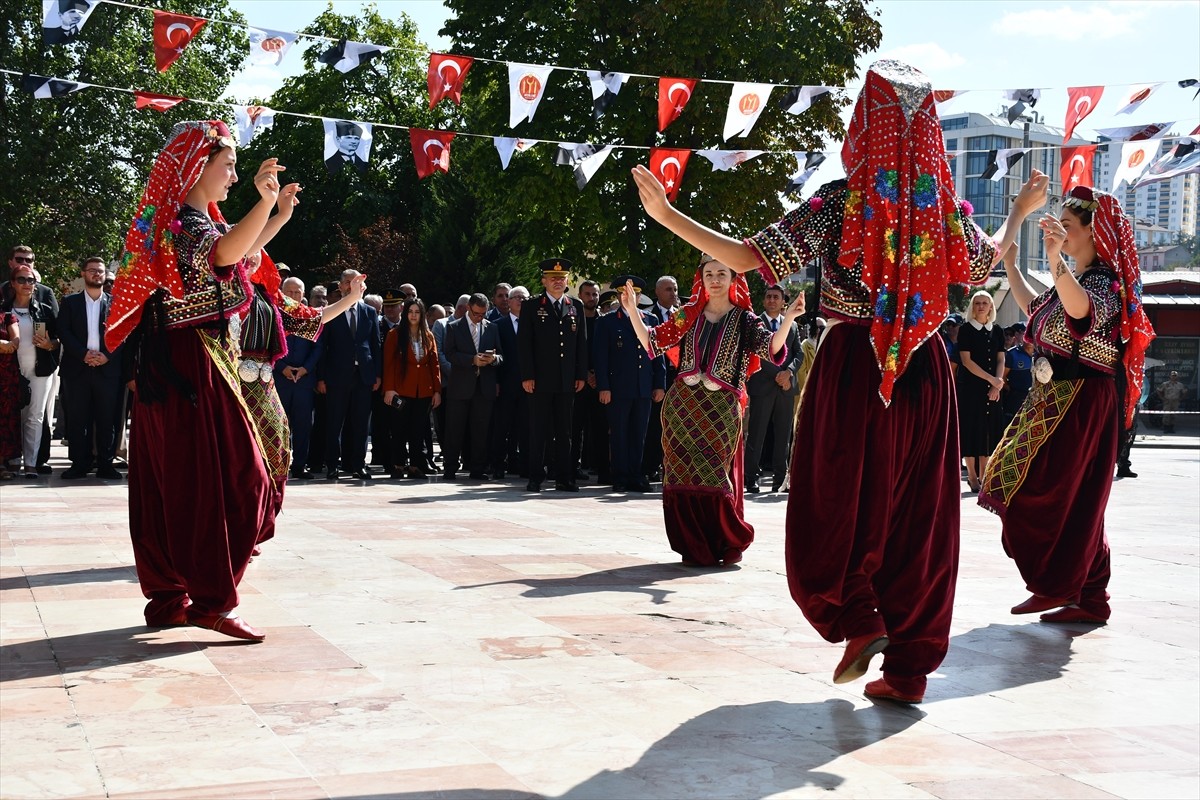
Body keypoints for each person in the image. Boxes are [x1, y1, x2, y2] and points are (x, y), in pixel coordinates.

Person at [629, 59, 1038, 704]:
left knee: (837, 500)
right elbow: (983, 265)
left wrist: (668, 216)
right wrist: (1017, 215)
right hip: (926, 367)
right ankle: (906, 671)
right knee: (915, 516)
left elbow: (749, 257)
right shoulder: (945, 207)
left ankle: (858, 617)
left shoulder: (844, 199)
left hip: (856, 365)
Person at [104, 119, 366, 641]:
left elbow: (239, 255)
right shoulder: (182, 224)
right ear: (195, 168)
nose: (232, 178)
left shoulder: (189, 221)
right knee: (229, 478)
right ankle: (210, 602)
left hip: (187, 361)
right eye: (226, 168)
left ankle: (173, 596)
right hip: (189, 364)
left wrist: (277, 212)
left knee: (182, 481)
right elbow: (224, 253)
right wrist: (265, 203)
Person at [981, 183, 1155, 626]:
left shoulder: (1103, 285)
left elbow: (1080, 313)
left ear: (1097, 236)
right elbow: (1038, 308)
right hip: (1058, 397)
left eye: (1070, 227)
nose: (1060, 231)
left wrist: (1056, 259)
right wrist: (1013, 269)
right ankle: (1090, 597)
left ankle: (1056, 583)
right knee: (1077, 501)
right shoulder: (1076, 282)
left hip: (1079, 400)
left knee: (1042, 493)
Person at [618, 257, 800, 564]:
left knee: (715, 474)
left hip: (721, 410)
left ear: (733, 279)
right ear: (701, 279)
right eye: (709, 273)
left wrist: (790, 318)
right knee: (680, 473)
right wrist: (632, 311)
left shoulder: (745, 319)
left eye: (722, 273)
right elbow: (653, 341)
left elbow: (770, 348)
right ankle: (691, 544)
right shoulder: (688, 315)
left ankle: (720, 540)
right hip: (681, 408)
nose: (715, 279)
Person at [518, 259, 588, 493]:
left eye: (562, 278)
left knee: (565, 431)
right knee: (538, 429)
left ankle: (564, 477)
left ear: (568, 281)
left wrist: (580, 374)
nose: (558, 282)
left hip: (566, 379)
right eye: (553, 278)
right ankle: (535, 476)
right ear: (544, 281)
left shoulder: (574, 306)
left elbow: (581, 344)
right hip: (540, 379)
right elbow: (525, 344)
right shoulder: (532, 306)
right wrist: (527, 375)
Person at [593, 276, 666, 493]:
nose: (628, 298)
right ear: (618, 296)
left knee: (639, 433)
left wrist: (659, 383)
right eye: (624, 294)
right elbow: (601, 357)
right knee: (619, 432)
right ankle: (621, 475)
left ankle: (636, 474)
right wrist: (603, 386)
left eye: (633, 294)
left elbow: (658, 354)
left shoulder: (650, 320)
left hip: (643, 386)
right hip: (618, 387)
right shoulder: (607, 321)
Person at [57, 257, 123, 480]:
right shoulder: (70, 302)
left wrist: (107, 355)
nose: (97, 274)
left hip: (107, 370)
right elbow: (63, 332)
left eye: (101, 271)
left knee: (107, 419)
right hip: (77, 369)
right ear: (83, 274)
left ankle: (105, 464)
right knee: (77, 419)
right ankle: (79, 464)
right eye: (93, 270)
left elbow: (123, 335)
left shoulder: (116, 303)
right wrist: (83, 354)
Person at [316, 269, 381, 481]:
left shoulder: (369, 312)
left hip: (362, 376)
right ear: (342, 286)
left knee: (361, 423)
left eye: (356, 282)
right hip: (336, 376)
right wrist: (321, 377)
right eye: (347, 282)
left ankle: (358, 464)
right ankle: (333, 465)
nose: (351, 286)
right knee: (335, 422)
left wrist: (377, 374)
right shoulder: (331, 312)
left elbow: (375, 345)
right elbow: (322, 347)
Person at [743, 283, 803, 494]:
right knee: (756, 435)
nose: (771, 300)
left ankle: (780, 479)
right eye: (768, 296)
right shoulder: (755, 323)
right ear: (764, 300)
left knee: (783, 436)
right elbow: (756, 353)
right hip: (762, 386)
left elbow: (799, 353)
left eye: (776, 297)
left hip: (786, 388)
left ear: (782, 301)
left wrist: (789, 373)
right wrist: (777, 375)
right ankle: (751, 478)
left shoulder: (792, 325)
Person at [1, 263, 59, 478]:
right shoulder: (4, 310)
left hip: (40, 368)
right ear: (13, 284)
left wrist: (49, 344)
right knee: (13, 415)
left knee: (35, 416)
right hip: (10, 371)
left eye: (31, 280)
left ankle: (31, 463)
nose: (27, 284)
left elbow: (58, 339)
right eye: (22, 280)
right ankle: (14, 460)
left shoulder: (43, 309)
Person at [441, 293, 503, 479]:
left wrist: (493, 359)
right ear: (468, 308)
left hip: (484, 387)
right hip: (460, 386)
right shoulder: (454, 327)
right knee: (454, 429)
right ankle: (450, 467)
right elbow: (449, 354)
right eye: (476, 313)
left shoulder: (492, 327)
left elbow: (501, 355)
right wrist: (472, 360)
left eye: (483, 314)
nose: (479, 317)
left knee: (481, 430)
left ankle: (477, 468)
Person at [382, 298, 441, 478]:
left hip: (423, 390)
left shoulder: (428, 335)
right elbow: (388, 364)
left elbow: (435, 364)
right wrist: (389, 389)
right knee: (399, 429)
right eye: (410, 312)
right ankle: (398, 464)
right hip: (401, 390)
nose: (413, 315)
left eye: (417, 312)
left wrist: (437, 391)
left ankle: (416, 465)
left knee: (418, 429)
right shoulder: (395, 334)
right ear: (405, 313)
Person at [273, 276, 324, 480]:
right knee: (279, 425)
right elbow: (268, 344)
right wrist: (282, 367)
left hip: (303, 380)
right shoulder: (274, 313)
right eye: (290, 292)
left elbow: (318, 346)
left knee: (303, 425)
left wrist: (305, 369)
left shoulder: (309, 316)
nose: (294, 296)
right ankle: (277, 463)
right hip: (280, 378)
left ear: (304, 294)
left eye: (297, 292)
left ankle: (300, 465)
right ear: (282, 293)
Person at [956, 290, 1006, 493]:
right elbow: (967, 361)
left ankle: (985, 474)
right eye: (978, 303)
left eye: (985, 303)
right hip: (971, 388)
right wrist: (990, 379)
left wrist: (996, 384)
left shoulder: (998, 331)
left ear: (991, 306)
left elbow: (1001, 359)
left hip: (992, 388)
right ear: (973, 306)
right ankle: (973, 477)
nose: (981, 306)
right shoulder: (966, 330)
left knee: (987, 429)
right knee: (971, 429)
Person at [643, 274, 680, 483]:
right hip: (657, 379)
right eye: (668, 289)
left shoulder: (682, 316)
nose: (673, 293)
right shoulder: (649, 316)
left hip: (678, 378)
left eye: (674, 289)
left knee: (675, 426)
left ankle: (672, 467)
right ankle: (650, 467)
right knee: (655, 426)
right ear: (657, 292)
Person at [492, 286, 528, 478]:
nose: (520, 301)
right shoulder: (498, 324)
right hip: (505, 384)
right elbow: (495, 354)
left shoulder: (534, 324)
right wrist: (496, 382)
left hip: (527, 385)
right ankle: (498, 464)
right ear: (510, 301)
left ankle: (519, 464)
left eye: (524, 298)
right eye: (517, 298)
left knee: (523, 427)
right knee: (502, 427)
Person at [0, 308, 20, 480]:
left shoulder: (7, 316)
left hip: (5, 374)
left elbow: (15, 342)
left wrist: (8, 344)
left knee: (4, 418)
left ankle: (2, 463)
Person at [1002, 322, 1034, 428]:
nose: (1029, 339)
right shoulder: (1012, 354)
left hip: (1033, 398)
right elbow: (1002, 376)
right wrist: (1010, 389)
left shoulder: (1039, 354)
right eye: (1026, 335)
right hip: (1015, 399)